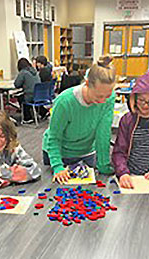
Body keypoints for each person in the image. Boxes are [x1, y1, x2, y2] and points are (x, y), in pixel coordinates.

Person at [42, 56, 116, 184]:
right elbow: (54, 137)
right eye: (99, 96)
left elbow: (103, 132)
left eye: (107, 95)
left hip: (86, 152)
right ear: (87, 84)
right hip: (59, 153)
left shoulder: (108, 99)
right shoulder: (65, 102)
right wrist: (57, 166)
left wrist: (104, 164)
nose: (103, 100)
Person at [14, 58, 41, 123]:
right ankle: (42, 112)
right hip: (39, 95)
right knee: (27, 95)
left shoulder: (23, 72)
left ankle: (27, 117)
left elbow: (17, 84)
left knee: (21, 97)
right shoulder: (34, 70)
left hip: (30, 96)